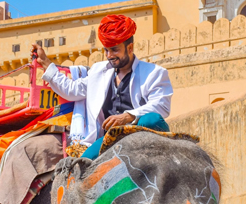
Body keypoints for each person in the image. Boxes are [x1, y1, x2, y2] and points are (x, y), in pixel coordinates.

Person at [31, 14, 173, 159]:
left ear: (130, 48)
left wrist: (127, 116)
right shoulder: (99, 71)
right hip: (109, 139)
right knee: (83, 164)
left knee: (152, 119)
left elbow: (161, 105)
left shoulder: (154, 73)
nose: (109, 55)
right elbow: (72, 90)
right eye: (106, 50)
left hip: (140, 132)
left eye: (114, 50)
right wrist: (46, 63)